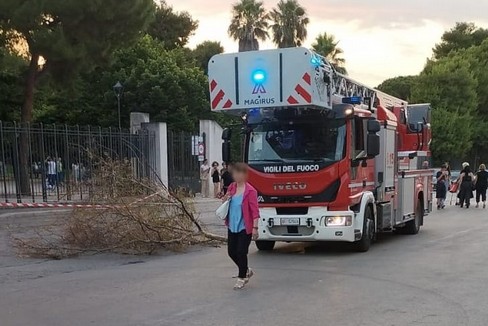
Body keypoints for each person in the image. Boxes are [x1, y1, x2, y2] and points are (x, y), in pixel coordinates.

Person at [223, 163, 259, 290]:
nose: (237, 176)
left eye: (239, 173)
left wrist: (255, 228)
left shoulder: (250, 191)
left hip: (245, 226)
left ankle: (241, 277)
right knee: (231, 252)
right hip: (232, 225)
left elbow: (255, 212)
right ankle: (246, 270)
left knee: (241, 251)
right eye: (235, 174)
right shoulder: (232, 187)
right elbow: (226, 201)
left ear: (244, 175)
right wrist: (224, 198)